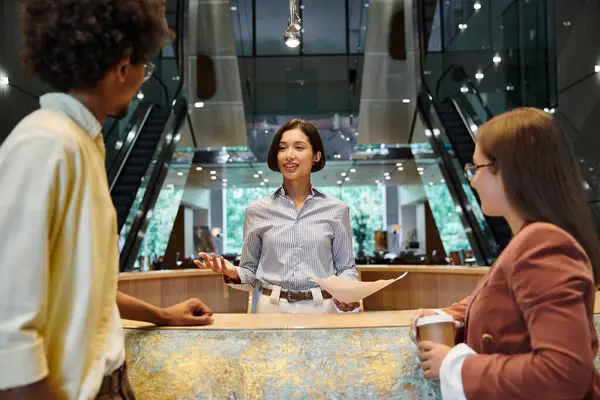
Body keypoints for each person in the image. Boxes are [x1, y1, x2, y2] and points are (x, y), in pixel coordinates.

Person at [0, 1, 213, 399]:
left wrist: (164, 315)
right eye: (144, 66)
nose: (143, 79)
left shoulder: (82, 144)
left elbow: (90, 286)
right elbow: (8, 333)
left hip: (111, 381)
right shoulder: (45, 145)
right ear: (120, 68)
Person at [410, 108, 600, 399]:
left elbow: (562, 374)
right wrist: (447, 316)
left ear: (510, 170)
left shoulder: (543, 244)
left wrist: (454, 366)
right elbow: (502, 305)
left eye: (476, 168)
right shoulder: (531, 240)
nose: (472, 181)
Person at [195, 119, 360, 313]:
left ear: (316, 156)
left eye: (299, 147)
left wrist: (347, 293)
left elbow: (346, 268)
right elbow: (250, 276)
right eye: (282, 148)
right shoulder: (257, 210)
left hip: (322, 307)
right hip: (271, 308)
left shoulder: (337, 209)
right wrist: (232, 272)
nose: (289, 155)